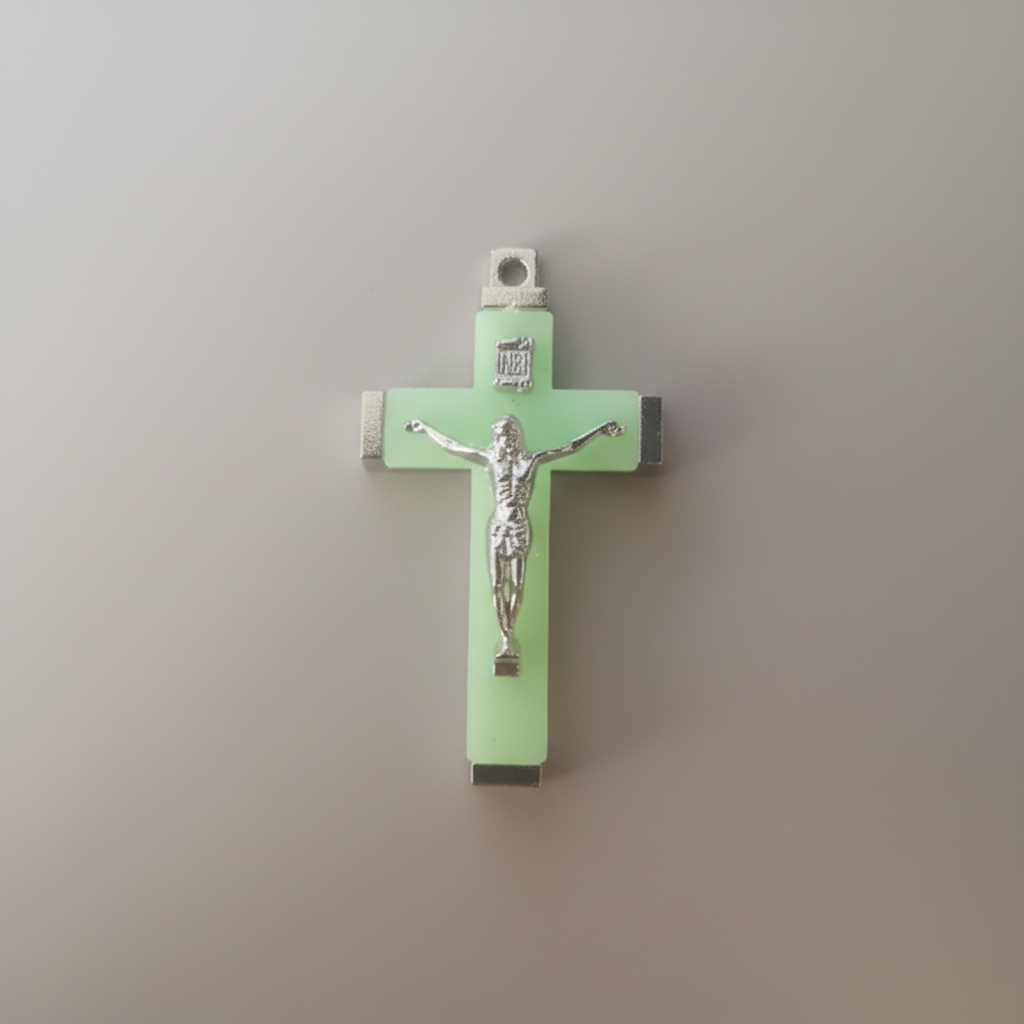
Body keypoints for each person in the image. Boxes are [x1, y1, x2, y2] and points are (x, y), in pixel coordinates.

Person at [405, 414, 625, 672]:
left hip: (519, 527)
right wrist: (426, 429)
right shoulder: (490, 460)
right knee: (497, 585)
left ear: (515, 436)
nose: (503, 440)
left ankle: (508, 635)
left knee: (517, 586)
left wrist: (598, 430)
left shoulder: (532, 460)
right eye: (499, 435)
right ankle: (506, 637)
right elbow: (453, 446)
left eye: (507, 434)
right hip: (498, 527)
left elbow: (569, 447)